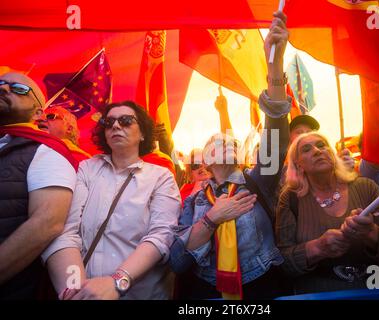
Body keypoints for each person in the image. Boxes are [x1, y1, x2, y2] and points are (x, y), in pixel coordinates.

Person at [170, 10, 291, 300]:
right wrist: (213, 218)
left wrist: (274, 68)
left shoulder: (259, 181)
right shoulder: (194, 200)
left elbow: (276, 137)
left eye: (228, 139)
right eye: (214, 142)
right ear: (206, 162)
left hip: (261, 288)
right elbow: (177, 260)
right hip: (206, 293)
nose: (223, 141)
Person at [43, 100, 181, 299]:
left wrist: (117, 281)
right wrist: (75, 290)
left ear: (142, 133)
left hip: (141, 294)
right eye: (109, 122)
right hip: (86, 288)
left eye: (126, 121)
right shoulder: (87, 169)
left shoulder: (160, 176)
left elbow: (161, 236)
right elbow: (67, 231)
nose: (116, 125)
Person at [276, 131, 379, 294]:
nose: (317, 150)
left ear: (332, 154)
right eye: (306, 149)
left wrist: (372, 233)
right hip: (319, 295)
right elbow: (283, 263)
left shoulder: (366, 187)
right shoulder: (290, 199)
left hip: (375, 291)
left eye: (322, 145)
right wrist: (318, 248)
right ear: (298, 164)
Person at [0, 72, 77, 299]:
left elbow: (47, 224)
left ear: (37, 113)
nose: (4, 89)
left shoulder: (45, 151)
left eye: (19, 89)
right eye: (1, 84)